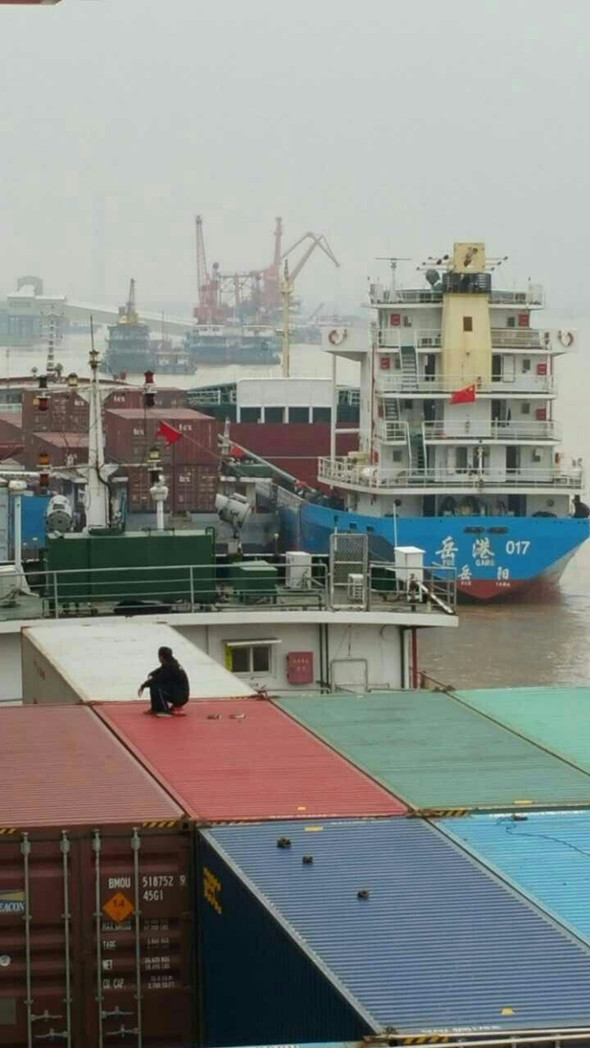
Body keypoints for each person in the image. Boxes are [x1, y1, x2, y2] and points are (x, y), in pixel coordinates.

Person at [138, 647, 190, 717]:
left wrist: (143, 685)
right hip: (178, 692)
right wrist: (151, 674)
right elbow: (158, 671)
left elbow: (158, 679)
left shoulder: (171, 667)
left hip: (181, 696)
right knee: (154, 685)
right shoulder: (170, 663)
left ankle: (164, 711)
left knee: (157, 687)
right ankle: (155, 709)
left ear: (161, 657)